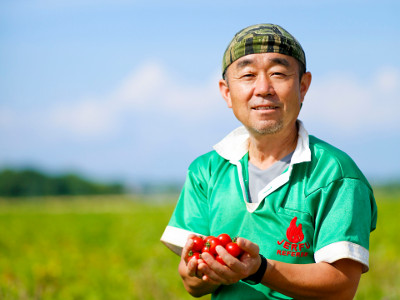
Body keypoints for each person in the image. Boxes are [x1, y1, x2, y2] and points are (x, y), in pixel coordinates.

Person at [160, 23, 377, 299]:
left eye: (278, 73)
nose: (263, 88)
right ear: (226, 92)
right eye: (248, 75)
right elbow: (191, 283)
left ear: (303, 86)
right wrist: (206, 270)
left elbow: (342, 286)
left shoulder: (336, 175)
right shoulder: (206, 171)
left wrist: (259, 269)